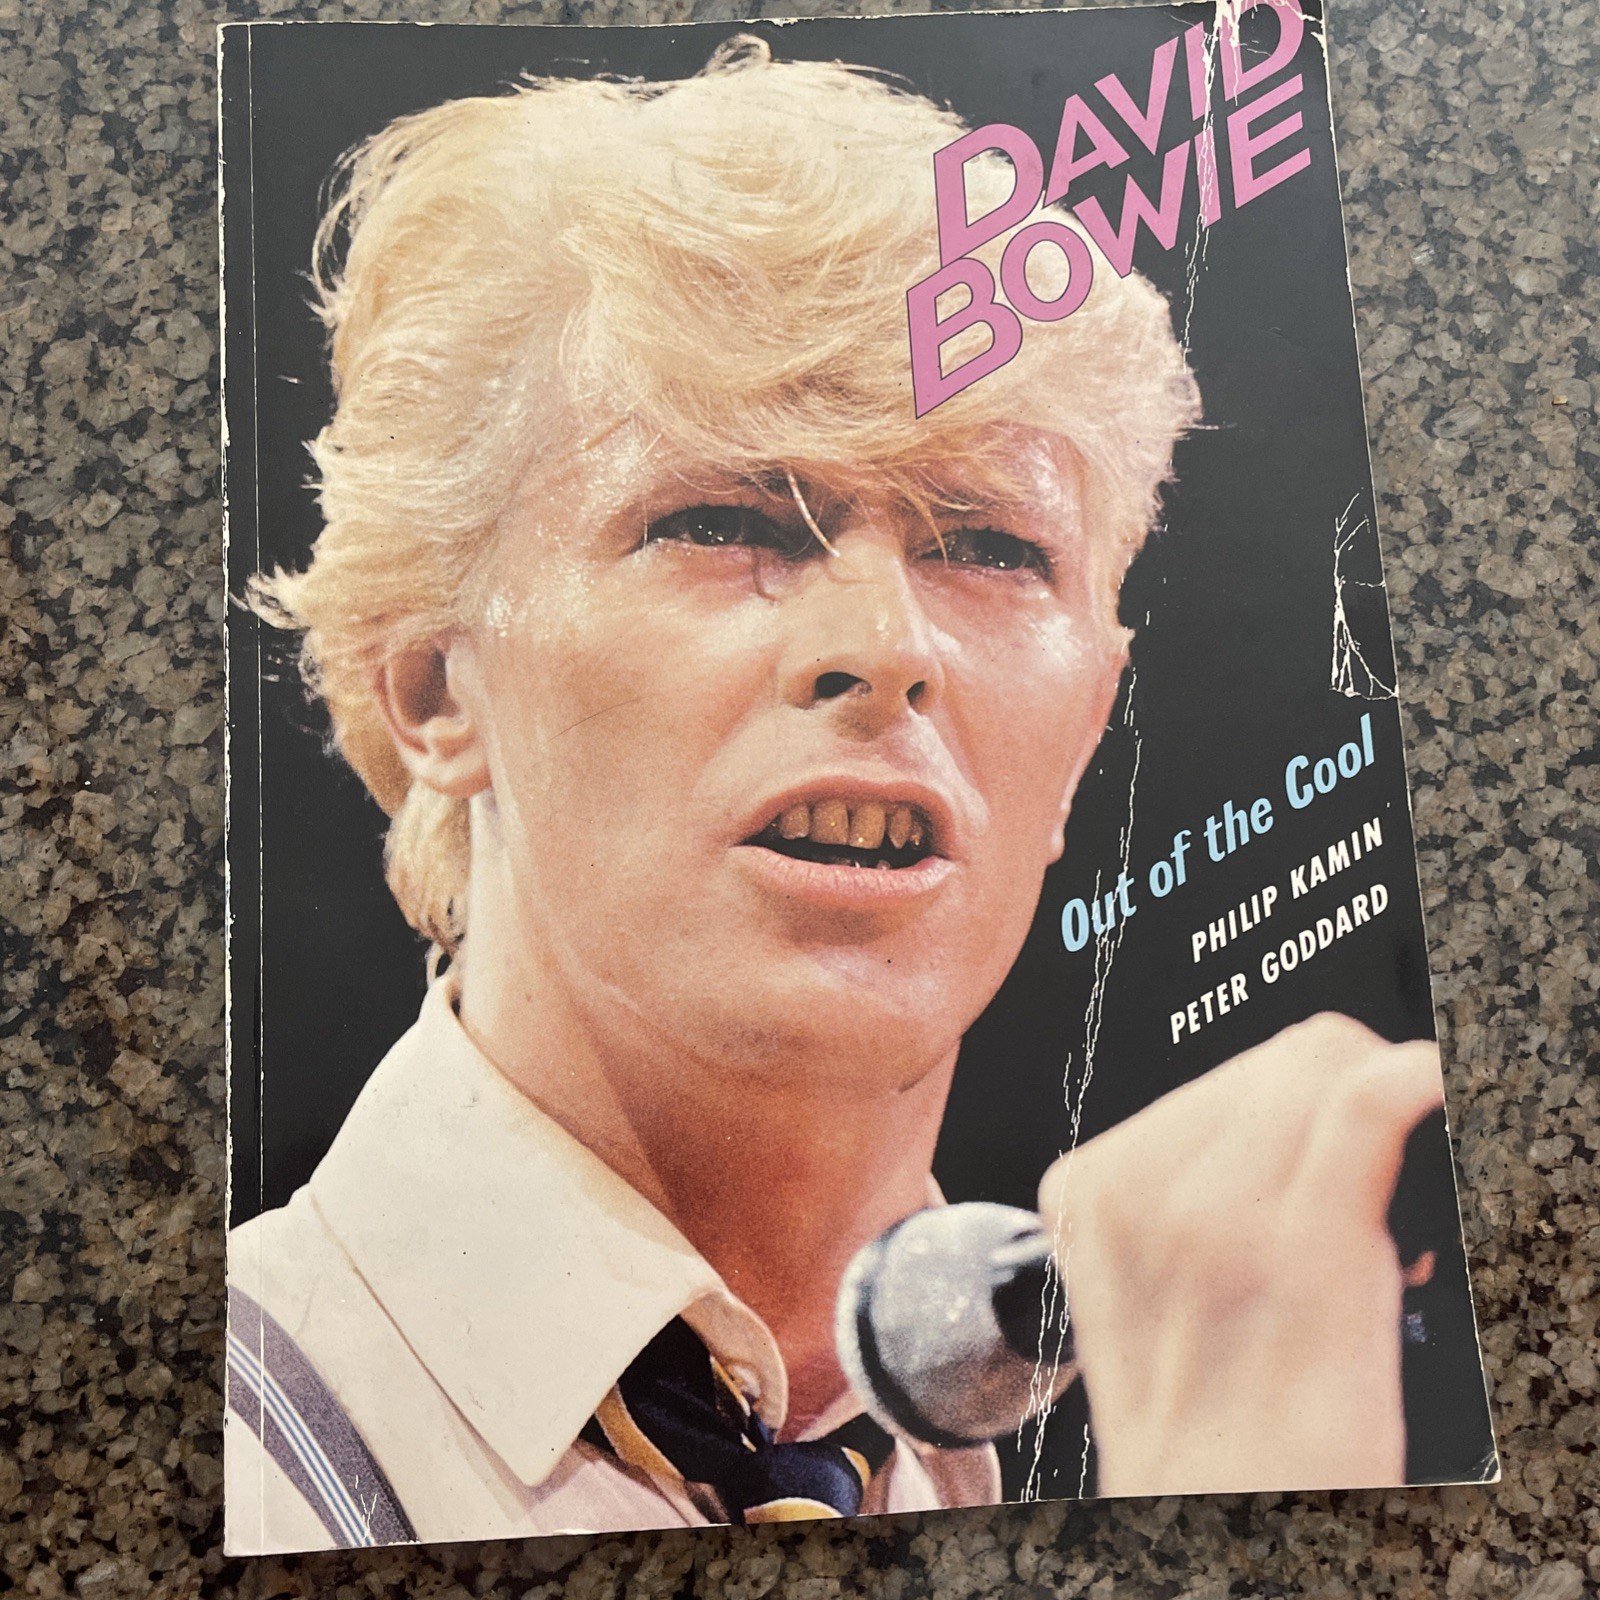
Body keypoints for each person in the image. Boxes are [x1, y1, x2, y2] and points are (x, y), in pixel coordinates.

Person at [225, 36, 1446, 1554]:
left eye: (989, 546)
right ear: (434, 691)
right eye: (726, 518)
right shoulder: (186, 1443)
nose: (886, 646)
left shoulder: (1186, 1383)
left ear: (1088, 729)